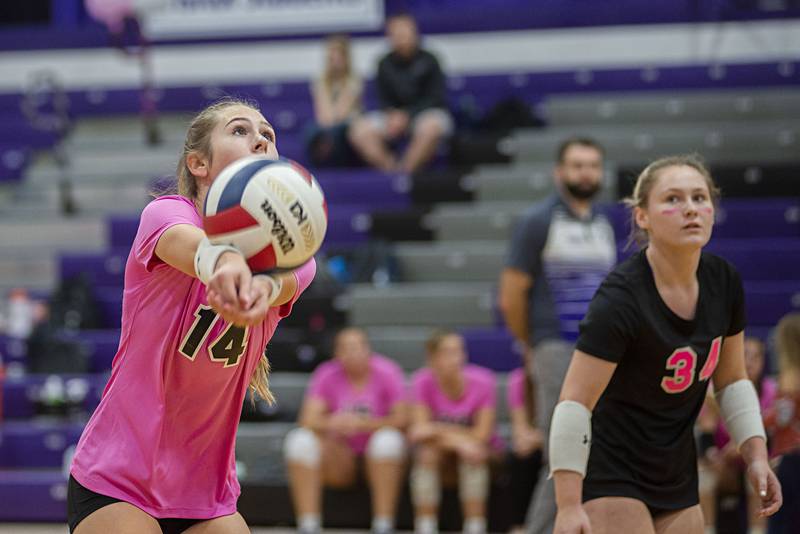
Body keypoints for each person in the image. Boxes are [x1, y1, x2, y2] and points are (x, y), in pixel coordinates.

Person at [67, 97, 317, 534]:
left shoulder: (297, 257)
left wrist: (258, 287)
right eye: (240, 130)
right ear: (199, 163)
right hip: (119, 474)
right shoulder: (167, 214)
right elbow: (202, 251)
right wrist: (227, 268)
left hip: (206, 492)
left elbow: (277, 283)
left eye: (268, 134)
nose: (259, 137)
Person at [549, 154, 782, 534]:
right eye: (672, 199)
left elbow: (733, 380)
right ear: (643, 216)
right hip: (612, 468)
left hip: (675, 468)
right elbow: (574, 403)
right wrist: (568, 505)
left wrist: (756, 455)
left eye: (699, 197)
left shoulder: (724, 281)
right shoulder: (620, 298)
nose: (690, 209)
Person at [497, 137, 616, 534]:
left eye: (593, 165)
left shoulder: (602, 223)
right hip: (556, 345)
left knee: (598, 451)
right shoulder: (539, 220)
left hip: (600, 351)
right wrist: (533, 344)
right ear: (559, 172)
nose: (586, 173)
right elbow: (511, 294)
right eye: (577, 165)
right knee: (563, 453)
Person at [283, 327, 408, 534]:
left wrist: (363, 424)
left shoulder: (388, 371)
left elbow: (403, 419)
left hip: (380, 460)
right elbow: (307, 419)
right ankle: (308, 525)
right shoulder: (326, 373)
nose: (353, 353)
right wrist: (334, 423)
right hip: (340, 457)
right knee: (299, 441)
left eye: (359, 347)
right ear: (336, 354)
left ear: (369, 349)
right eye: (346, 348)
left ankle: (383, 525)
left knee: (388, 441)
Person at [408, 330, 497, 534]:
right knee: (426, 453)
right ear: (432, 359)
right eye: (447, 352)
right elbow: (419, 431)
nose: (456, 358)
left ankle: (475, 526)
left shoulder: (483, 380)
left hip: (485, 453)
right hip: (444, 450)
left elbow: (482, 435)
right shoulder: (422, 381)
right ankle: (425, 526)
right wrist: (460, 442)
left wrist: (438, 429)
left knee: (474, 454)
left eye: (459, 351)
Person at [348, 13, 453, 174]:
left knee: (431, 127)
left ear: (415, 33)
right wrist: (392, 115)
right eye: (397, 35)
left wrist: (407, 115)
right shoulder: (384, 63)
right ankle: (391, 171)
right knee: (359, 131)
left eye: (405, 34)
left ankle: (406, 173)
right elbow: (380, 98)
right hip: (392, 117)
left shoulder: (430, 60)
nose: (402, 39)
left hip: (424, 114)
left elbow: (436, 98)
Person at [697, 336, 777, 533]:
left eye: (755, 357)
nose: (749, 362)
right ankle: (708, 529)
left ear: (762, 362)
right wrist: (715, 456)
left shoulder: (771, 391)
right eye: (744, 355)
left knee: (761, 477)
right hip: (723, 464)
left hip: (757, 460)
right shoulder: (711, 391)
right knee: (703, 475)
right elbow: (706, 438)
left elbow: (771, 440)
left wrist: (748, 453)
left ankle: (758, 530)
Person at [764, 313, 800, 534]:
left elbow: (783, 417)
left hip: (792, 457)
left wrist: (757, 420)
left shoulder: (790, 377)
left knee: (782, 523)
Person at [306, 34, 364, 167]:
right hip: (327, 124)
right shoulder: (321, 80)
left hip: (348, 124)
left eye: (338, 56)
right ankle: (317, 165)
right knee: (310, 131)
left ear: (345, 58)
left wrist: (329, 123)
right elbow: (323, 115)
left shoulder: (354, 79)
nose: (334, 60)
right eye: (331, 56)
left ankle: (338, 165)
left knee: (337, 132)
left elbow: (341, 113)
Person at [506, 352, 544, 534]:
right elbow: (519, 431)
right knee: (520, 457)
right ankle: (519, 526)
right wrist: (535, 439)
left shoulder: (559, 377)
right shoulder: (518, 381)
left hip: (561, 441)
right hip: (537, 444)